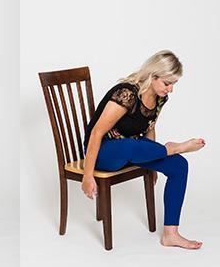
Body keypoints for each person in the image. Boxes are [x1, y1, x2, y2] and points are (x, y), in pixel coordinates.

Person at [82, 50, 205, 249]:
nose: (171, 89)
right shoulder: (127, 94)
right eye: (167, 83)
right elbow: (96, 133)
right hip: (102, 153)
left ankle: (170, 234)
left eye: (174, 84)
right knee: (131, 146)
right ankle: (172, 148)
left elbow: (149, 128)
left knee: (179, 165)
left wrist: (152, 165)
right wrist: (88, 176)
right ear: (153, 76)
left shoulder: (159, 97)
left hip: (133, 149)